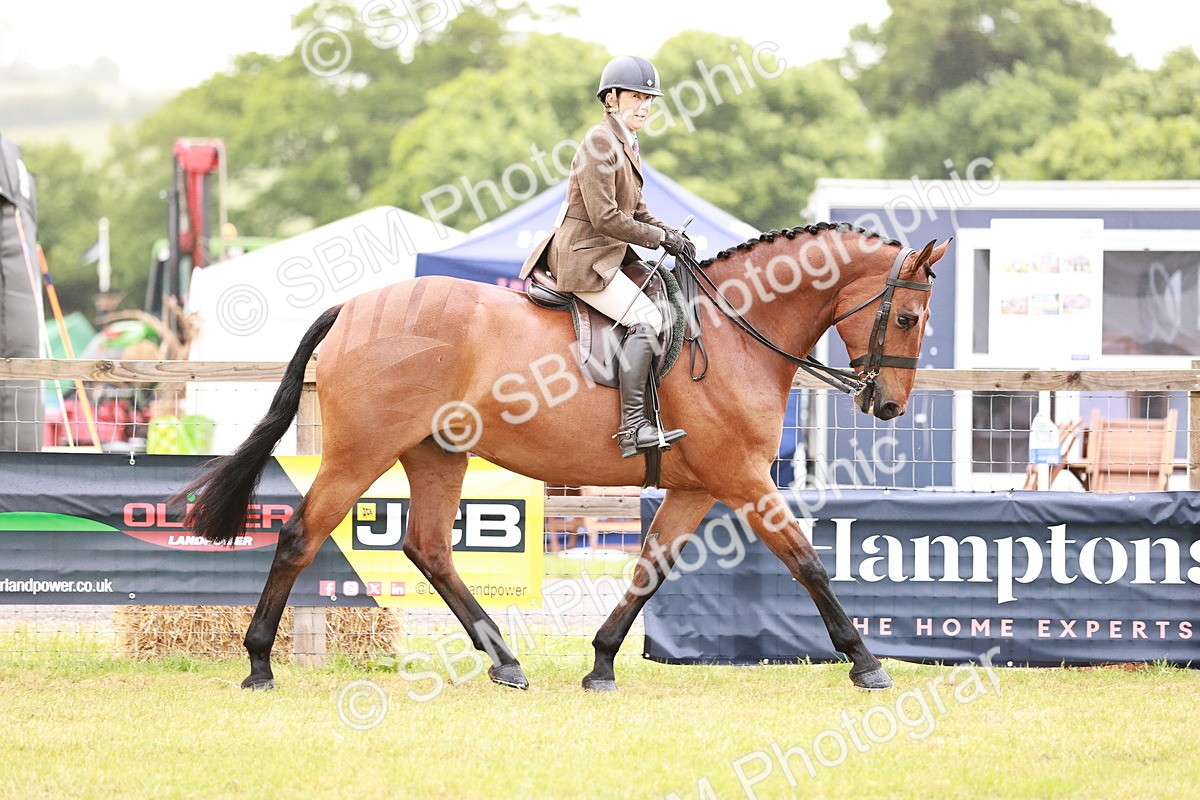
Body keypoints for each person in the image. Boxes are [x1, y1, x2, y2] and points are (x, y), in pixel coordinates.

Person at [520, 55, 697, 458]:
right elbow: (605, 217)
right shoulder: (600, 141)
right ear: (612, 98)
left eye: (650, 98)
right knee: (647, 320)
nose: (645, 106)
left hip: (608, 253)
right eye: (637, 96)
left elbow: (635, 210)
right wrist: (657, 240)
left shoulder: (627, 143)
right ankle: (634, 427)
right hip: (584, 256)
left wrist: (670, 234)